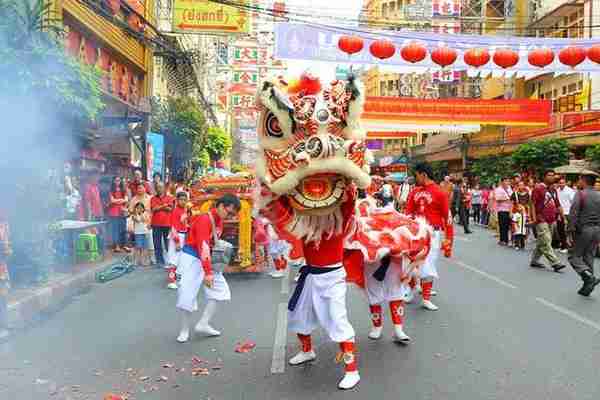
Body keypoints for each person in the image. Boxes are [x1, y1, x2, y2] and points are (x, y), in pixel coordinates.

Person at [176, 194, 241, 343]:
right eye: (228, 211)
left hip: (206, 259)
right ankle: (184, 329)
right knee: (186, 294)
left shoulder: (219, 221)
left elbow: (209, 244)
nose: (229, 216)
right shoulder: (205, 219)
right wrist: (208, 272)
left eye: (232, 214)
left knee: (220, 290)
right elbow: (203, 245)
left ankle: (203, 323)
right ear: (220, 205)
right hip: (191, 258)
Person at [404, 162, 453, 311]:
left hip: (433, 234)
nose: (415, 178)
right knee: (411, 265)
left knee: (428, 265)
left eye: (416, 175)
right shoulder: (414, 192)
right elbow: (408, 213)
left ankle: (426, 299)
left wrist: (449, 240)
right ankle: (411, 290)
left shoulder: (440, 192)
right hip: (416, 234)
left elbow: (447, 217)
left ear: (423, 174)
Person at [567, 173, 600, 296]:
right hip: (597, 230)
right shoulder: (599, 195)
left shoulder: (580, 194)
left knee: (573, 256)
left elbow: (573, 214)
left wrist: (569, 231)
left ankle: (588, 277)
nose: (578, 182)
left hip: (583, 230)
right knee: (589, 256)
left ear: (584, 180)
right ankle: (588, 285)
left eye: (579, 179)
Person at [530, 170, 566, 272]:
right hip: (541, 219)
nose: (552, 177)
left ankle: (534, 260)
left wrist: (563, 217)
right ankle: (555, 263)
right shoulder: (538, 188)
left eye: (553, 175)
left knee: (542, 241)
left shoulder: (553, 190)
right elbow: (532, 204)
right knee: (546, 240)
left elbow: (558, 204)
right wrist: (534, 218)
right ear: (544, 177)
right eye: (549, 175)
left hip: (552, 219)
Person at [166, 192, 189, 290]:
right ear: (177, 200)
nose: (183, 201)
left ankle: (177, 279)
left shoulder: (185, 210)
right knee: (174, 259)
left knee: (180, 259)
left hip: (183, 235)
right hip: (177, 236)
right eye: (181, 199)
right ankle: (171, 281)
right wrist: (177, 241)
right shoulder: (175, 211)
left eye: (185, 200)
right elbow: (173, 227)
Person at [150, 182, 174, 266]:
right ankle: (159, 261)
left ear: (164, 188)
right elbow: (153, 209)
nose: (159, 189)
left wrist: (159, 207)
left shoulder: (170, 197)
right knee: (157, 244)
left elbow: (170, 209)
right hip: (156, 224)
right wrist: (164, 206)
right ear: (156, 189)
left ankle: (171, 261)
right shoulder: (153, 198)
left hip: (167, 224)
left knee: (168, 244)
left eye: (161, 187)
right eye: (157, 187)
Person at [107, 177, 129, 253]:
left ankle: (124, 245)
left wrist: (117, 201)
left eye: (119, 180)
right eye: (116, 180)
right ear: (113, 181)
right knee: (115, 230)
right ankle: (117, 246)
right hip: (113, 212)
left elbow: (126, 200)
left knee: (123, 229)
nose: (117, 182)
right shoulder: (111, 190)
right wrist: (121, 200)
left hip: (122, 212)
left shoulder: (124, 190)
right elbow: (112, 200)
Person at [556, 177, 576, 253]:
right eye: (560, 183)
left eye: (563, 183)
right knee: (560, 230)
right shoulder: (557, 190)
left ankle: (568, 247)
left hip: (568, 213)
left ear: (565, 183)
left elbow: (573, 202)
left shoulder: (570, 191)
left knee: (568, 230)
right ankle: (563, 246)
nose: (561, 184)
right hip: (560, 213)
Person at [0, 209, 11, 339]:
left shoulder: (4, 226)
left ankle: (4, 324)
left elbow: (7, 250)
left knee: (2, 297)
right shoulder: (3, 226)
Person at [494, 177, 513, 246]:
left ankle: (506, 239)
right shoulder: (498, 189)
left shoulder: (509, 189)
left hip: (509, 210)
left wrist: (507, 199)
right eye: (505, 181)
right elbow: (497, 198)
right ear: (502, 182)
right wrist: (507, 199)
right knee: (502, 225)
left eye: (508, 181)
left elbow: (512, 197)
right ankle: (502, 240)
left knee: (507, 225)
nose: (507, 183)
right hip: (501, 210)